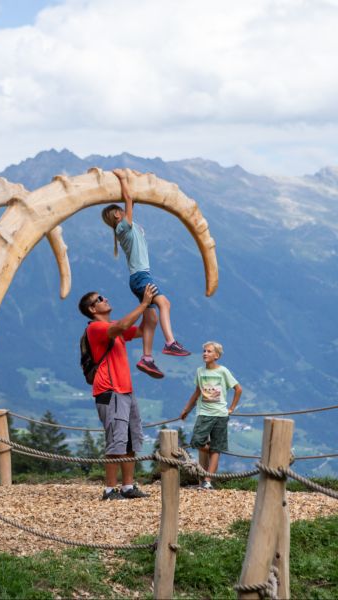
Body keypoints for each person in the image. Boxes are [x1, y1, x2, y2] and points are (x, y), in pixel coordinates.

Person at [100, 168, 190, 380]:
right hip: (141, 276)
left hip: (139, 277)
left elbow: (133, 200)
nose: (126, 210)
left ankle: (146, 358)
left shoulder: (126, 228)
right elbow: (129, 199)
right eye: (122, 210)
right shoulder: (122, 228)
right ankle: (170, 343)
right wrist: (122, 179)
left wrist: (133, 181)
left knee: (150, 320)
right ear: (117, 214)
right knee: (164, 303)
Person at [79, 284, 159, 500]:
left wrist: (152, 303)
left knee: (131, 440)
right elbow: (124, 324)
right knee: (116, 441)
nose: (105, 299)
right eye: (100, 298)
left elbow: (145, 329)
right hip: (109, 390)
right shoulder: (95, 328)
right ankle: (109, 489)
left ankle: (128, 486)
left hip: (125, 391)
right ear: (93, 310)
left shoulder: (116, 327)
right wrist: (143, 303)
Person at [179, 341, 242, 490]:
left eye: (209, 351)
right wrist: (186, 410)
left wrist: (231, 408)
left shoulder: (223, 371)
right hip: (204, 413)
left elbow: (238, 389)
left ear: (217, 356)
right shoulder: (200, 371)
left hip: (220, 414)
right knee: (197, 442)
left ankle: (208, 481)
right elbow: (197, 392)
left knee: (215, 449)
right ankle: (215, 450)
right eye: (204, 351)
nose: (205, 353)